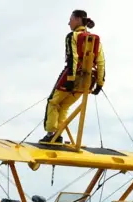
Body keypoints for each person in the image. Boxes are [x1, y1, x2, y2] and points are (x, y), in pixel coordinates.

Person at [39, 9, 106, 143]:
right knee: (64, 106)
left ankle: (51, 133)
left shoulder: (72, 36)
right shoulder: (95, 39)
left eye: (70, 19)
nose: (69, 23)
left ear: (77, 19)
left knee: (53, 102)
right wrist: (99, 83)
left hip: (72, 76)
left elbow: (72, 58)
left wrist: (70, 78)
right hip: (86, 81)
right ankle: (58, 133)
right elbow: (101, 62)